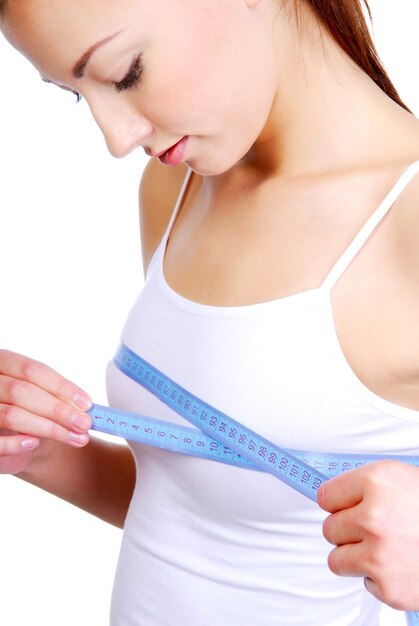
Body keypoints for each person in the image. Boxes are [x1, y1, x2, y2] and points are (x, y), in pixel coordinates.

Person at [1, 1, 419, 624]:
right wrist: (41, 452)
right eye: (75, 94)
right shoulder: (178, 187)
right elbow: (198, 507)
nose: (116, 140)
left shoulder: (406, 225)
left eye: (125, 72)